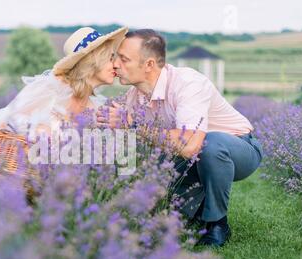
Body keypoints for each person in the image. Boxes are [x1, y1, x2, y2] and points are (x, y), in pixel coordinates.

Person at [98, 29, 263, 247]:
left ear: (148, 64)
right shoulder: (133, 97)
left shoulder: (188, 83)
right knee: (157, 188)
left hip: (239, 147)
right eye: (115, 57)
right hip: (194, 157)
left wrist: (132, 124)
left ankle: (217, 224)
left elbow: (188, 145)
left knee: (209, 144)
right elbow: (127, 147)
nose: (116, 64)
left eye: (124, 59)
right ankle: (195, 209)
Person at [0, 26, 128, 141]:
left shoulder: (96, 109)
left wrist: (124, 123)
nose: (115, 64)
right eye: (110, 58)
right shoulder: (51, 89)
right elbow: (3, 126)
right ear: (94, 61)